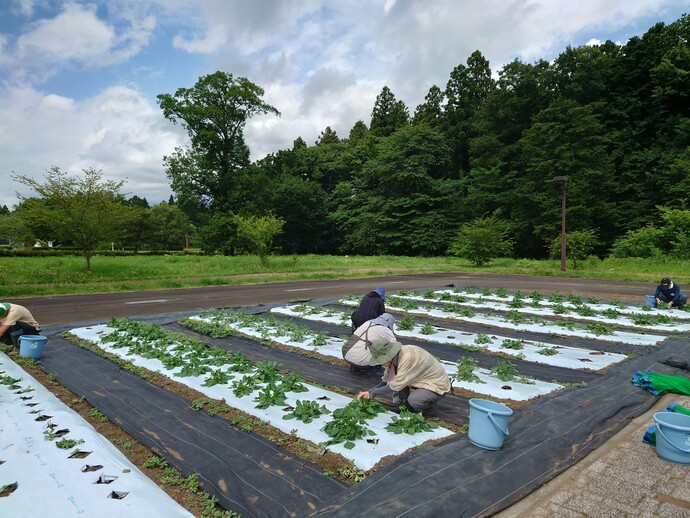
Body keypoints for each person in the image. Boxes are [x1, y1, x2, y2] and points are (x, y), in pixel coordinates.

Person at [356, 337, 451, 415]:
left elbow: (394, 386)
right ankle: (406, 404)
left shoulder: (407, 358)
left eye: (381, 360)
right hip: (419, 380)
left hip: (436, 384)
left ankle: (429, 408)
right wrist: (369, 392)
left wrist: (373, 393)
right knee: (399, 390)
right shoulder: (394, 358)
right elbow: (385, 381)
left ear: (388, 357)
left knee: (414, 400)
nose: (381, 363)